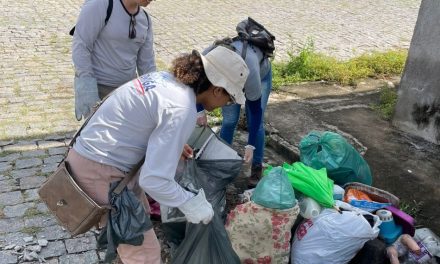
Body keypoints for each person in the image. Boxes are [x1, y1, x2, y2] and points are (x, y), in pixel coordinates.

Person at [65, 46, 249, 263]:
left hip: (93, 156)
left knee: (138, 223)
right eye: (229, 100)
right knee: (145, 254)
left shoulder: (167, 81)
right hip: (99, 171)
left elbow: (145, 120)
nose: (224, 106)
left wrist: (173, 145)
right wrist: (192, 203)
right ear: (218, 90)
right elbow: (154, 180)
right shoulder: (182, 107)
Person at [198, 37, 273, 188]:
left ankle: (256, 166)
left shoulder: (251, 74)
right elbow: (194, 82)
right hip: (230, 76)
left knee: (255, 124)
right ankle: (221, 162)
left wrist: (250, 145)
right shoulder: (210, 57)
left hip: (261, 76)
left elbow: (256, 110)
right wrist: (199, 111)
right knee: (229, 120)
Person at [72, 0, 156, 121]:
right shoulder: (100, 5)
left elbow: (147, 63)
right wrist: (87, 89)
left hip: (128, 92)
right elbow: (81, 46)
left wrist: (154, 94)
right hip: (99, 89)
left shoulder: (145, 19)